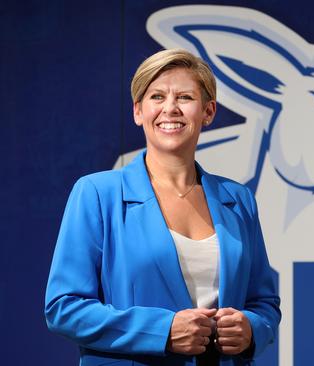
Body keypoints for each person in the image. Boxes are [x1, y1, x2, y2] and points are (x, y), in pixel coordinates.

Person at [45, 49, 281, 366]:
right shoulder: (97, 194)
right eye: (157, 97)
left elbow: (264, 302)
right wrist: (163, 330)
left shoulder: (238, 199)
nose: (170, 109)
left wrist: (252, 329)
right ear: (138, 111)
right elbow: (64, 307)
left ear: (208, 111)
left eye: (184, 97)